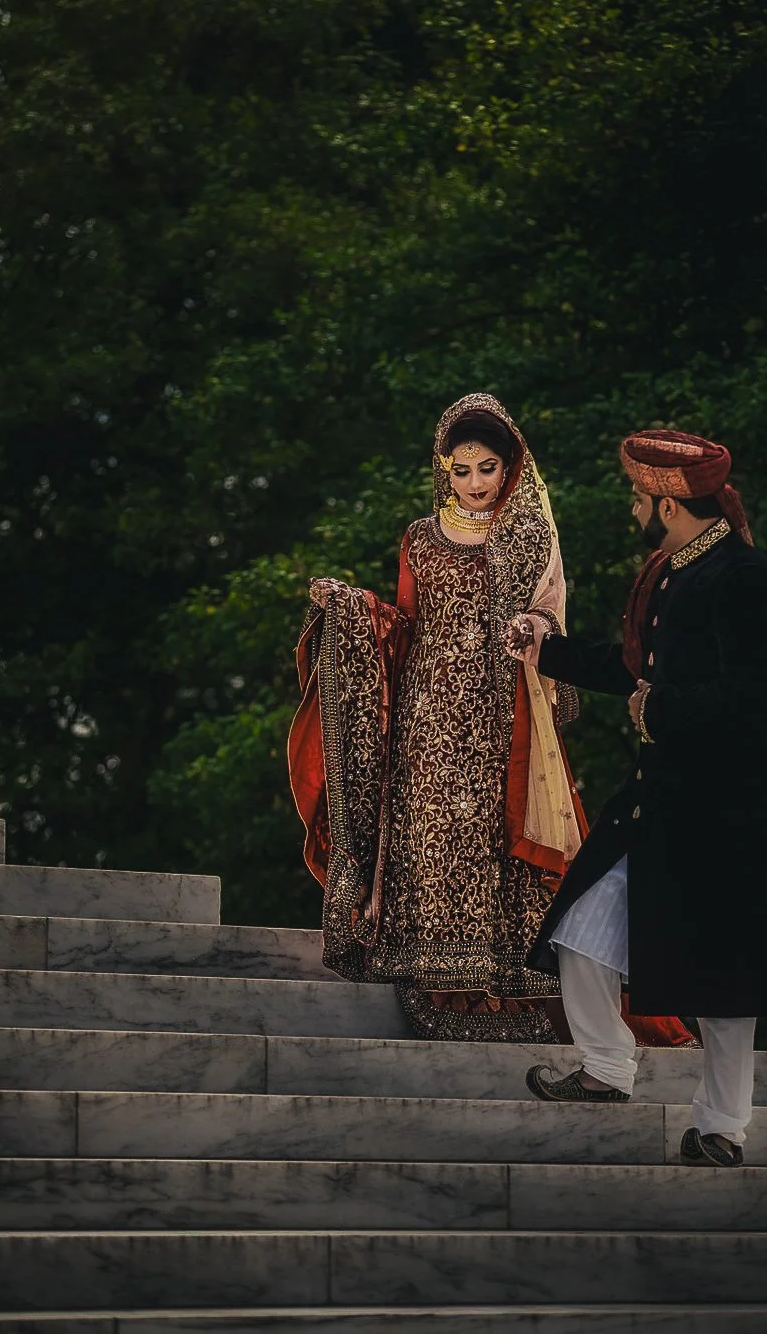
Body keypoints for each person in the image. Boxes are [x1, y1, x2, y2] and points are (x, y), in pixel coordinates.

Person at [288, 394, 692, 1048]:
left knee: (495, 848)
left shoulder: (528, 534)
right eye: (461, 469)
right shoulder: (418, 538)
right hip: (426, 718)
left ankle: (510, 990)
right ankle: (440, 984)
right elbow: (404, 625)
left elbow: (549, 623)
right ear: (443, 469)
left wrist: (537, 628)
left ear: (511, 468)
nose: (474, 483)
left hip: (502, 718)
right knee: (432, 843)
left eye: (487, 469)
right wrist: (352, 608)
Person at [511, 429, 767, 1165]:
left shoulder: (745, 577)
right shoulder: (672, 571)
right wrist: (542, 647)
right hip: (660, 802)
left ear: (669, 502)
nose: (632, 508)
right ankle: (607, 1068)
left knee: (726, 978)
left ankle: (722, 1127)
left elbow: (752, 697)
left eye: (638, 497)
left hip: (728, 811)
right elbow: (631, 666)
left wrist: (661, 709)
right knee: (581, 927)